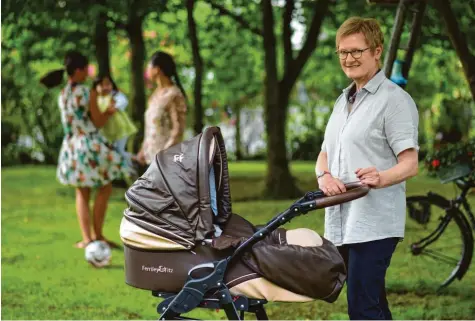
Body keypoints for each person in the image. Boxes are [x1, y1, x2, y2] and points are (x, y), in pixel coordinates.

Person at [315, 17, 419, 320]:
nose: (349, 59)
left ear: (376, 51)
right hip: (342, 219)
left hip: (375, 223)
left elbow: (410, 163)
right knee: (370, 303)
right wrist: (325, 175)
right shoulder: (342, 101)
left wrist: (381, 177)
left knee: (362, 306)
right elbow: (325, 153)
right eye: (343, 52)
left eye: (356, 51)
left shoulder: (394, 101)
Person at [41, 51, 129, 249]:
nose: (88, 74)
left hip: (71, 145)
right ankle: (98, 235)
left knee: (82, 192)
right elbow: (97, 122)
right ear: (79, 70)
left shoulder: (63, 94)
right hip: (89, 144)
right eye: (86, 69)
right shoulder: (86, 91)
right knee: (105, 186)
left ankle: (87, 239)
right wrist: (108, 112)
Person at [134, 51, 187, 166]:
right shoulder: (154, 95)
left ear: (157, 69)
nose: (147, 71)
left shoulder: (174, 94)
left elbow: (178, 130)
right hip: (152, 159)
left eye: (149, 67)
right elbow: (150, 128)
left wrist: (165, 154)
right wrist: (144, 150)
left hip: (168, 160)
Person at [92, 74, 137, 164]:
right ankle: (129, 165)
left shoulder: (114, 95)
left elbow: (123, 101)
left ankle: (135, 161)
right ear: (95, 87)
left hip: (120, 129)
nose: (105, 87)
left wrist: (115, 106)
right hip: (106, 132)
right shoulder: (95, 99)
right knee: (112, 153)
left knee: (119, 151)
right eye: (101, 85)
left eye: (108, 84)